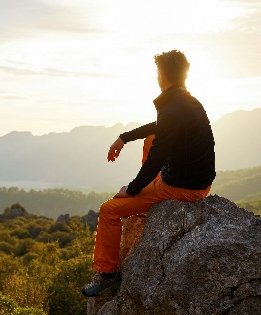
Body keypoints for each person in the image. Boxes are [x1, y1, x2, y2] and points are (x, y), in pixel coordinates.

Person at [81, 49, 216, 297]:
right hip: (199, 182)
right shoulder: (189, 103)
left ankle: (107, 273)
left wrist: (132, 189)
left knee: (109, 210)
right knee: (153, 136)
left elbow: (156, 159)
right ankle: (144, 200)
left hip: (180, 188)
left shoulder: (173, 107)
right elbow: (160, 128)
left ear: (162, 77)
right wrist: (125, 137)